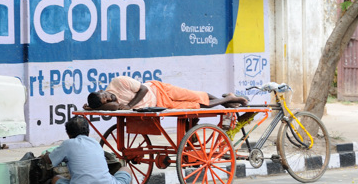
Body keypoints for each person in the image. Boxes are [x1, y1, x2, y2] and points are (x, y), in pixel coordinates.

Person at [42, 115, 131, 184]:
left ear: (68, 134)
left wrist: (45, 155)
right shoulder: (95, 143)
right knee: (127, 170)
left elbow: (49, 160)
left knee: (56, 180)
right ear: (88, 131)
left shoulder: (67, 144)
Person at [84, 75, 248, 111]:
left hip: (158, 89)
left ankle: (231, 99)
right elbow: (106, 107)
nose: (109, 98)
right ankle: (229, 100)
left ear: (101, 91)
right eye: (107, 100)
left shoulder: (118, 82)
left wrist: (129, 105)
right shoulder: (108, 104)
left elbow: (143, 89)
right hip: (159, 104)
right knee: (197, 105)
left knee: (194, 95)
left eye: (105, 95)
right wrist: (92, 108)